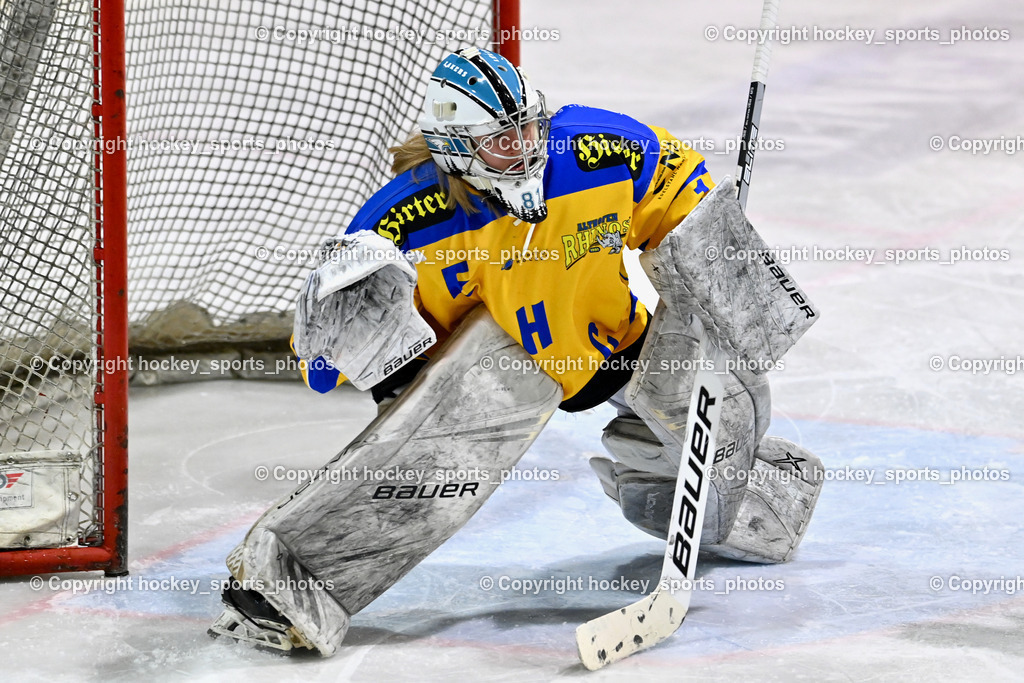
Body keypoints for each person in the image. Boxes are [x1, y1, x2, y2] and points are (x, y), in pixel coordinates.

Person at [209, 46, 823, 656]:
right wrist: (356, 329)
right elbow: (324, 358)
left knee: (726, 406)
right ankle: (281, 585)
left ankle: (736, 485)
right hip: (510, 358)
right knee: (433, 460)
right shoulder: (411, 218)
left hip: (611, 334)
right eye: (502, 140)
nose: (526, 148)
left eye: (529, 127)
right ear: (455, 148)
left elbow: (679, 184)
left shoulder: (597, 150)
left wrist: (712, 247)